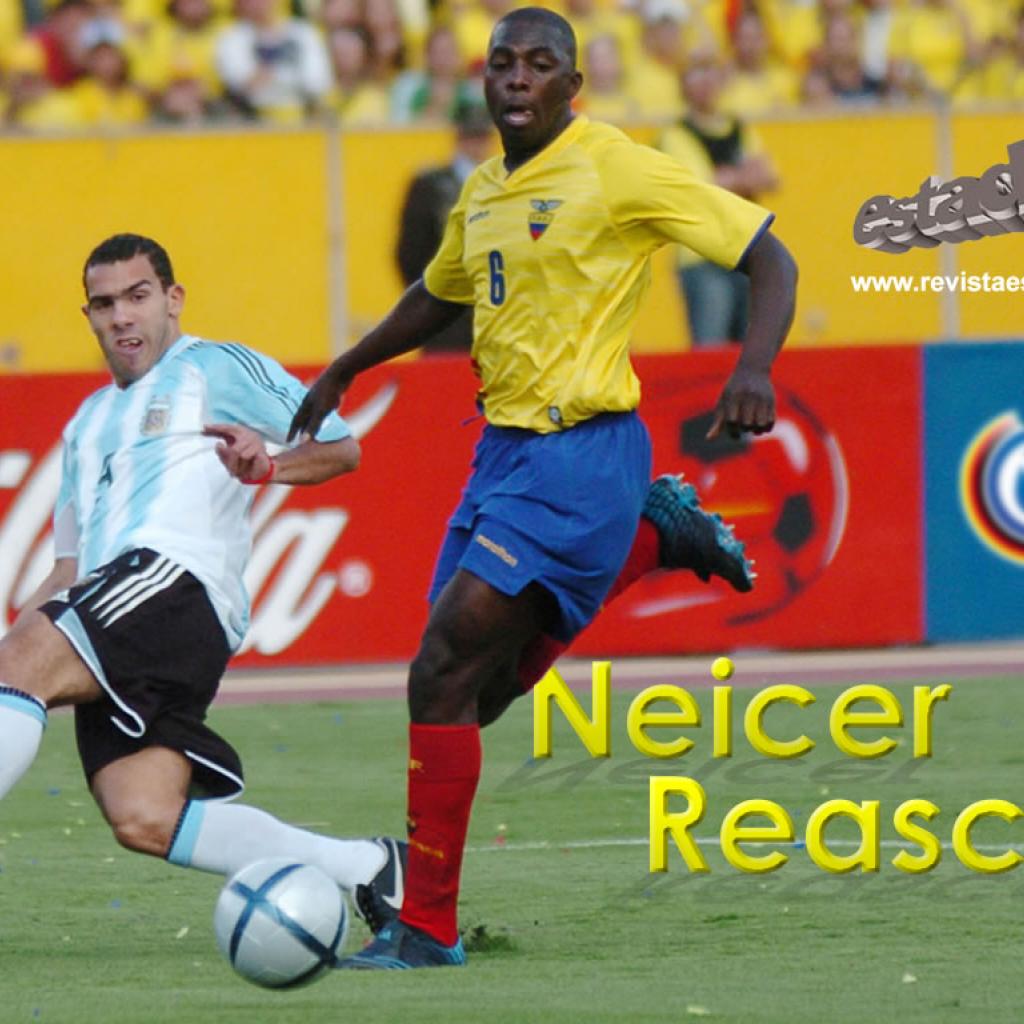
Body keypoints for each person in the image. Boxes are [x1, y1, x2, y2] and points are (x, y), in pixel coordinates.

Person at [289, 7, 797, 969]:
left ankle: (427, 929)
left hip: (580, 452)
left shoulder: (617, 166)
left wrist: (754, 366)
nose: (516, 78)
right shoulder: (484, 190)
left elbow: (769, 253)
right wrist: (347, 367)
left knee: (438, 672)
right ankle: (651, 541)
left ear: (573, 84)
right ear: (483, 80)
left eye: (538, 64)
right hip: (502, 457)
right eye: (501, 64)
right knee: (468, 698)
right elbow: (439, 292)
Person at [0, 233, 404, 937]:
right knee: (143, 814)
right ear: (89, 317)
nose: (122, 316)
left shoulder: (213, 367)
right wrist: (11, 651)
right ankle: (370, 866)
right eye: (104, 304)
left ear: (173, 300)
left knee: (21, 668)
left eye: (138, 296)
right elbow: (68, 571)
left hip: (172, 580)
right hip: (118, 607)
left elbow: (343, 447)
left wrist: (268, 467)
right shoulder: (85, 424)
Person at [659, 55, 779, 346]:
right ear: (683, 85)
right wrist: (743, 178)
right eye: (696, 74)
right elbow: (703, 189)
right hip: (701, 256)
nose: (705, 82)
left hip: (743, 251)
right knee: (710, 350)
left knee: (750, 350)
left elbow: (770, 177)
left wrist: (729, 178)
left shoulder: (739, 127)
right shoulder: (675, 134)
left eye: (710, 72)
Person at [394, 100, 494, 353]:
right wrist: (431, 303)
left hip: (492, 316)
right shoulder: (429, 185)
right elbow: (410, 253)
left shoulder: (501, 183)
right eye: (471, 136)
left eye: (481, 136)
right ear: (459, 136)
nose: (476, 144)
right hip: (446, 318)